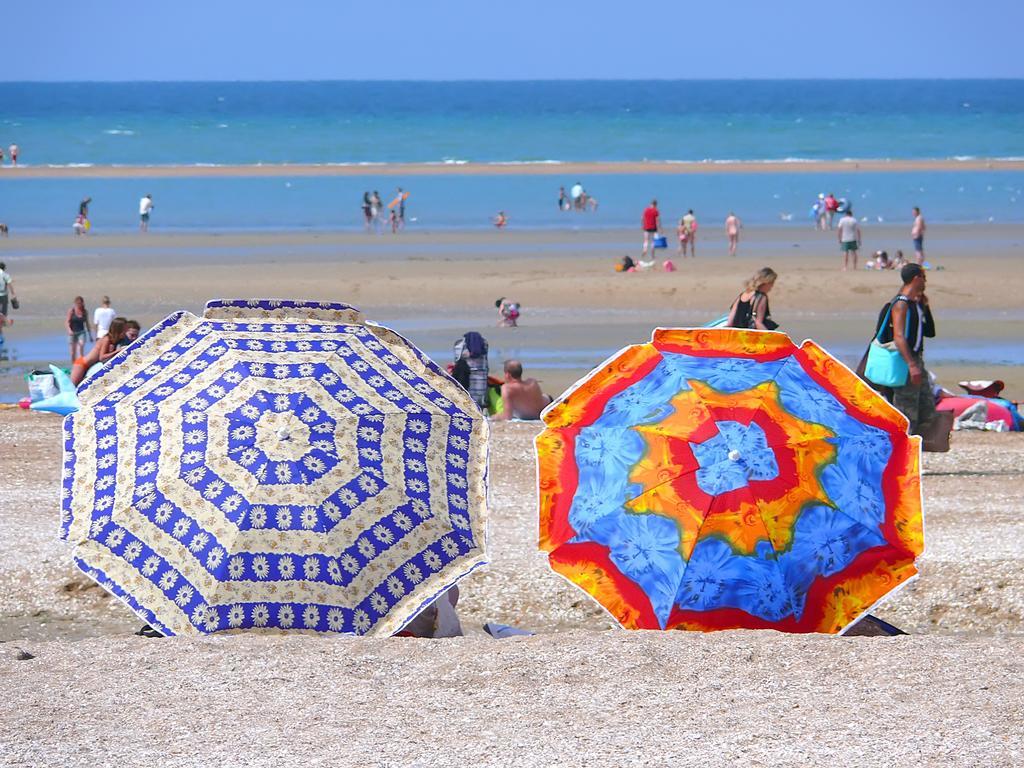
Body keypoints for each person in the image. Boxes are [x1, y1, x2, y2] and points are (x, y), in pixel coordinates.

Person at [875, 264, 936, 435]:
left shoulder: (916, 304)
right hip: (904, 361)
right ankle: (901, 447)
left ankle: (914, 444)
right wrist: (911, 364)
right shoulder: (900, 304)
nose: (925, 281)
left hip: (916, 360)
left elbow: (930, 332)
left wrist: (926, 307)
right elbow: (899, 337)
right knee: (907, 411)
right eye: (924, 277)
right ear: (916, 279)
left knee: (927, 409)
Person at [70, 317, 127, 386]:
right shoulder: (107, 339)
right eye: (124, 330)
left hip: (89, 367)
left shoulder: (114, 341)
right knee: (72, 388)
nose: (126, 332)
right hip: (82, 365)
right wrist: (117, 351)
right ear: (118, 330)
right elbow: (102, 357)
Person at [66, 296, 91, 363]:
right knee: (72, 352)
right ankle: (73, 365)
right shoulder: (72, 311)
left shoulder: (85, 312)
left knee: (81, 347)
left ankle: (80, 364)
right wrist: (69, 330)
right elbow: (67, 322)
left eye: (80, 303)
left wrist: (90, 335)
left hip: (81, 332)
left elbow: (87, 323)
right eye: (78, 303)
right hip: (72, 332)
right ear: (75, 303)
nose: (79, 305)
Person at [837, 207, 861, 271]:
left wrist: (839, 238)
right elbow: (858, 230)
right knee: (854, 253)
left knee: (846, 253)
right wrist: (859, 239)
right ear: (851, 214)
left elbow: (839, 230)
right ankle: (855, 267)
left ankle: (845, 267)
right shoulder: (854, 220)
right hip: (853, 238)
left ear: (846, 214)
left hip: (845, 239)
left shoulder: (842, 220)